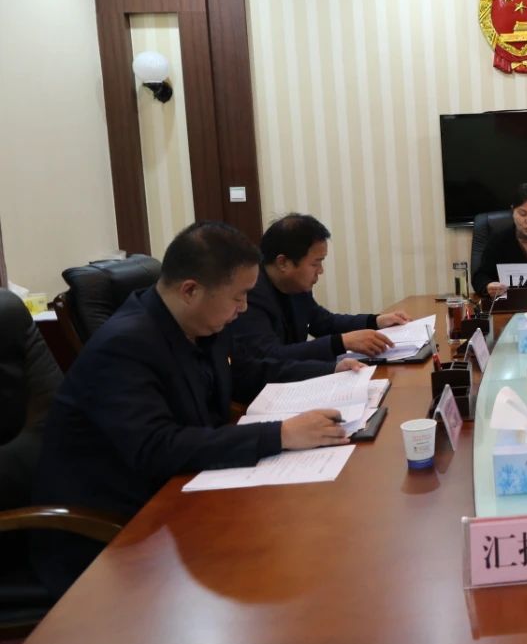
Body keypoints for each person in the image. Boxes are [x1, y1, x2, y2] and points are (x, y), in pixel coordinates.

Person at [32, 221, 360, 595]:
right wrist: (280, 434)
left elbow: (245, 375)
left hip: (179, 497)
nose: (244, 308)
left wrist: (329, 373)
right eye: (239, 297)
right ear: (190, 290)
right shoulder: (124, 345)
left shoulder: (199, 325)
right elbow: (158, 447)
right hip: (111, 534)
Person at [232, 214, 409, 389]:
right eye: (315, 263)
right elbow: (270, 355)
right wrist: (341, 342)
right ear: (283, 263)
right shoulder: (249, 296)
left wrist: (375, 321)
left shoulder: (295, 286)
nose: (321, 270)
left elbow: (324, 322)